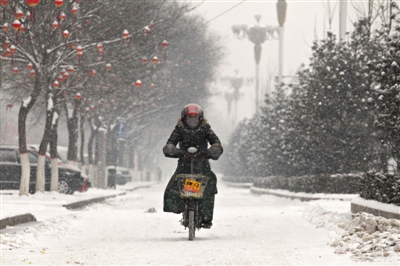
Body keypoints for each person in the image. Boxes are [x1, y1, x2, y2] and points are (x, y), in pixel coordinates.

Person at [162, 103, 223, 229]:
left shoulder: (206, 129)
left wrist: (211, 151)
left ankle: (206, 217)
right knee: (174, 186)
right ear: (185, 119)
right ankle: (178, 207)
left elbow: (216, 143)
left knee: (209, 184)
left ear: (200, 119)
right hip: (184, 164)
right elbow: (170, 144)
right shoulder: (179, 129)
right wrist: (176, 151)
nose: (192, 121)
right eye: (190, 119)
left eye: (195, 119)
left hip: (202, 165)